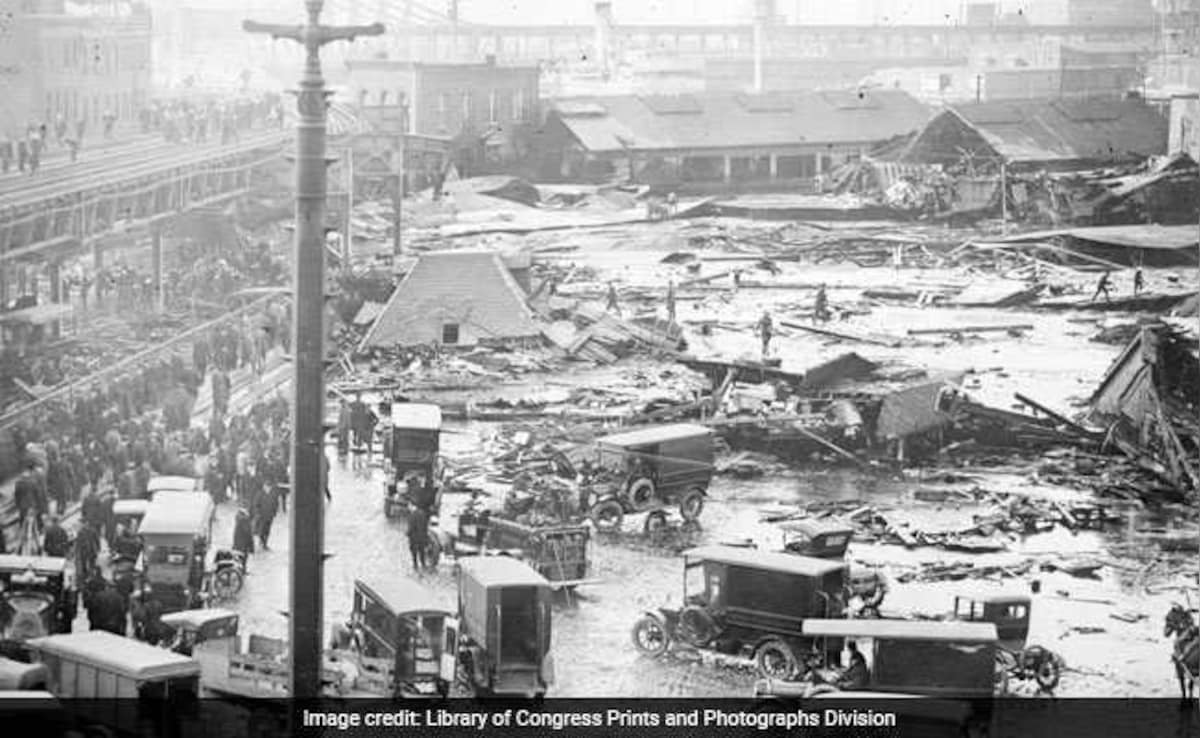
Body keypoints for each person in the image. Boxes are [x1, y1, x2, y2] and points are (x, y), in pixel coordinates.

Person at [407, 504, 431, 571]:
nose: (408, 507)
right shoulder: (423, 513)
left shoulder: (412, 515)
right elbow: (426, 525)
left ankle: (415, 565)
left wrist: (408, 534)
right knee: (422, 551)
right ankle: (423, 564)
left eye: (409, 506)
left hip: (414, 537)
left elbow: (411, 527)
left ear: (412, 506)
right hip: (422, 537)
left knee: (414, 552)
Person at [255, 485, 278, 551]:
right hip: (262, 516)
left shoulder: (273, 495)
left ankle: (265, 544)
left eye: (269, 487)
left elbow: (276, 504)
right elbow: (256, 504)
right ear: (264, 487)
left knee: (267, 531)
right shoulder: (259, 494)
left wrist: (274, 513)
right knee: (262, 530)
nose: (268, 489)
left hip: (270, 516)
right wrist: (258, 513)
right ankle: (261, 542)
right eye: (266, 487)